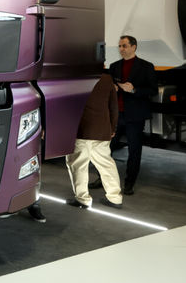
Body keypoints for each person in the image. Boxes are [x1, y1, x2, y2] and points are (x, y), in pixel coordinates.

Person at [65, 73, 123, 209]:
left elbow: (67, 106)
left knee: (78, 165)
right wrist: (112, 127)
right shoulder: (107, 78)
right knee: (106, 164)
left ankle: (83, 199)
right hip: (102, 130)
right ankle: (115, 198)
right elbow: (113, 107)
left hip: (82, 130)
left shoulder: (74, 77)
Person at [108, 35, 157, 195]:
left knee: (134, 151)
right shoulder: (114, 66)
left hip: (135, 116)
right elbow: (109, 87)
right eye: (120, 46)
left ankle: (129, 183)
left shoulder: (146, 66)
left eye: (124, 46)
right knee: (107, 149)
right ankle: (103, 179)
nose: (121, 49)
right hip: (116, 115)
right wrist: (113, 89)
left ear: (134, 47)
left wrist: (134, 90)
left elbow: (153, 90)